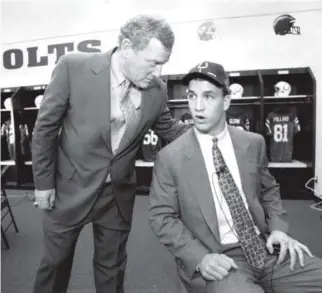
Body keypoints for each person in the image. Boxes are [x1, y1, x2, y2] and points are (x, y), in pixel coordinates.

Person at [31, 15, 189, 293]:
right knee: (55, 266)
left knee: (112, 269)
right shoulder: (73, 67)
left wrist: (209, 130)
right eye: (153, 62)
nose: (158, 73)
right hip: (68, 190)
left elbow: (168, 128)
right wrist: (42, 184)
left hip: (116, 195)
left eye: (163, 65)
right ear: (127, 47)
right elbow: (45, 129)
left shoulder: (157, 90)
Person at [148, 61, 322, 293]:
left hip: (265, 246)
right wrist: (199, 257)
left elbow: (269, 190)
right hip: (218, 256)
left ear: (226, 102)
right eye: (192, 96)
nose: (197, 107)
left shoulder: (252, 143)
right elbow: (162, 216)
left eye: (208, 96)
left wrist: (278, 228)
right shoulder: (170, 157)